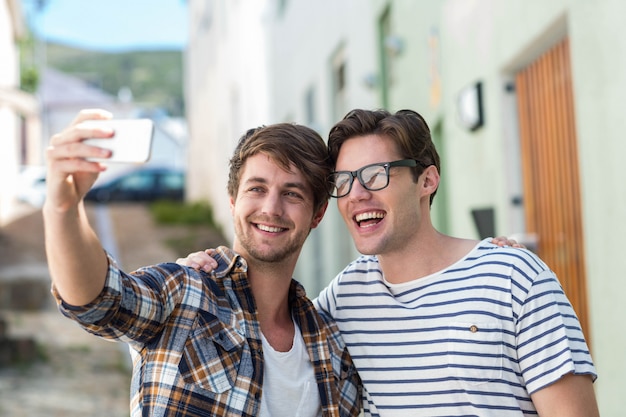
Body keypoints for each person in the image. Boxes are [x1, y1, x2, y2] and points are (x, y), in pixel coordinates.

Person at [180, 109, 599, 416]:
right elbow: (264, 323)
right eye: (344, 182)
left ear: (427, 180)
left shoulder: (514, 277)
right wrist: (215, 263)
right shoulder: (341, 302)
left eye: (377, 175)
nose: (359, 194)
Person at [43, 108, 362, 417]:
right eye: (257, 188)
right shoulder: (184, 291)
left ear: (317, 214)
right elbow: (98, 301)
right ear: (233, 200)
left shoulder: (329, 344)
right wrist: (63, 208)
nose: (271, 208)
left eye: (292, 194)